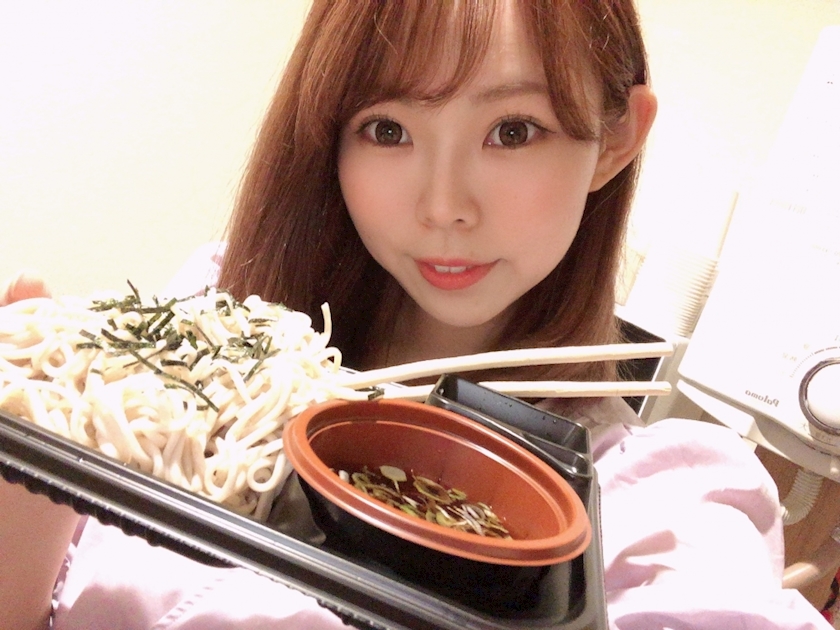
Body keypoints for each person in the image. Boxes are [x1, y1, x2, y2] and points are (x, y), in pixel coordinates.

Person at [0, 0, 832, 628]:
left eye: (514, 130)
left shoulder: (656, 503)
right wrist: (30, 420)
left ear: (615, 139)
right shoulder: (216, 326)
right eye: (388, 128)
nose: (442, 206)